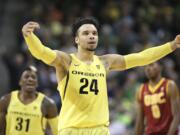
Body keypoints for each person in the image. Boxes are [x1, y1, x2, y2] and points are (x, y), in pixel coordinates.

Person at [21, 17, 180, 135]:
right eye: (86, 33)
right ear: (76, 39)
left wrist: (171, 45)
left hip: (100, 129)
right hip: (71, 129)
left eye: (94, 33)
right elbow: (42, 52)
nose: (91, 36)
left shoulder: (105, 62)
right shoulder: (66, 61)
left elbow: (141, 58)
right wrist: (30, 37)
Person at [0, 65, 58, 135]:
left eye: (33, 77)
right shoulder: (6, 100)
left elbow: (56, 132)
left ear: (37, 83)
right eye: (26, 76)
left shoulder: (48, 104)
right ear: (20, 82)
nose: (30, 79)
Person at [134, 62, 180, 135]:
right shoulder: (141, 90)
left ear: (160, 67)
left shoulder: (169, 85)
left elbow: (177, 115)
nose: (148, 69)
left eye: (151, 65)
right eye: (145, 66)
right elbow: (140, 121)